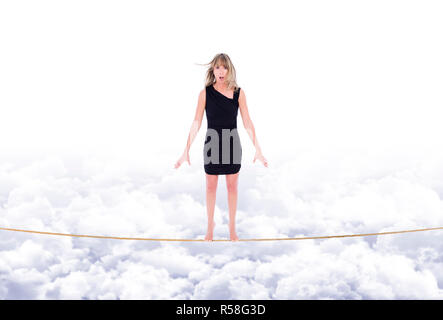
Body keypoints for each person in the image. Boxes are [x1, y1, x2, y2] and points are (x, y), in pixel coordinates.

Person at [174, 53, 268, 242]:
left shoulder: (239, 93)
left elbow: (248, 122)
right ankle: (210, 226)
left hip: (233, 142)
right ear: (213, 70)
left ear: (229, 69)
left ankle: (232, 228)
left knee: (232, 187)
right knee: (211, 186)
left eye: (224, 67)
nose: (221, 71)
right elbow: (196, 122)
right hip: (212, 142)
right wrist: (186, 150)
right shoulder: (205, 94)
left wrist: (258, 149)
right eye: (217, 67)